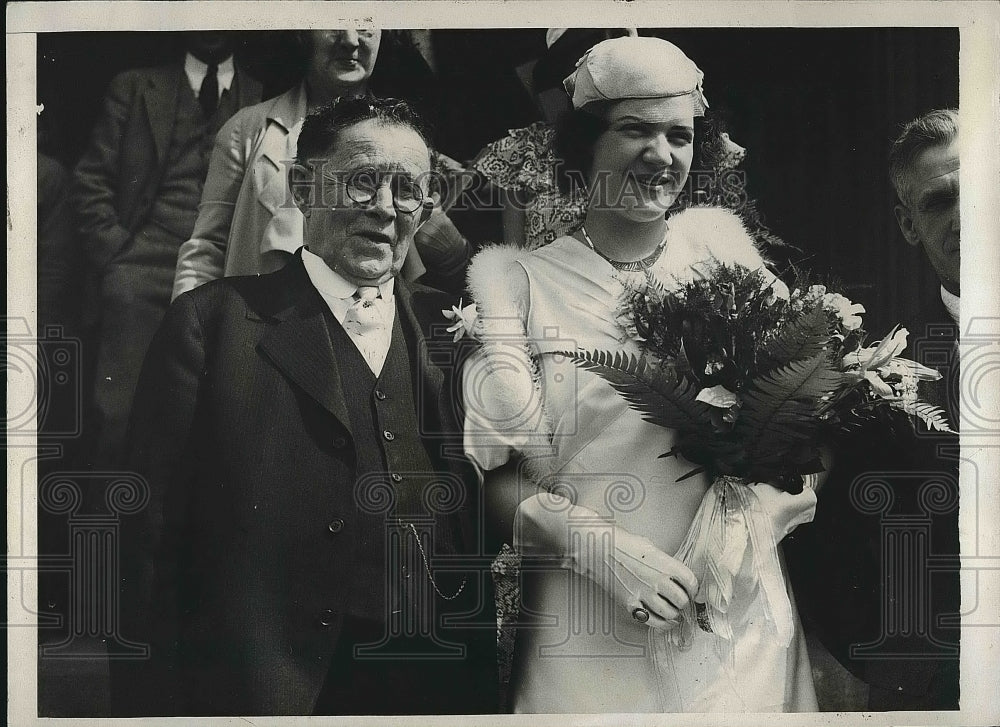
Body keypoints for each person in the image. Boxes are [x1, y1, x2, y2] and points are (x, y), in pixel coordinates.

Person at [463, 36, 818, 713]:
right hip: (588, 633)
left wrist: (758, 521)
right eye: (635, 130)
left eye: (679, 135)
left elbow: (813, 433)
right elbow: (498, 479)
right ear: (584, 143)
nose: (662, 155)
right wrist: (594, 548)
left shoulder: (733, 265)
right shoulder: (520, 287)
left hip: (735, 626)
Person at [112, 97, 497, 716]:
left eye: (408, 191)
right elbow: (148, 547)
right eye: (363, 182)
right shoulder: (213, 324)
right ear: (302, 188)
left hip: (430, 684)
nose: (385, 208)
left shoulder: (451, 334)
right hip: (270, 691)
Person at [785, 109, 961, 711]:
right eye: (938, 202)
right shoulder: (869, 374)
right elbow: (819, 537)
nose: (965, 216)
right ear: (908, 224)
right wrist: (912, 674)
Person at [71, 32, 263, 469]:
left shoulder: (260, 95)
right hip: (140, 266)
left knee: (203, 421)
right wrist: (118, 253)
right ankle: (116, 507)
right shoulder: (135, 86)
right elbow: (90, 181)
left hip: (221, 272)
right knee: (118, 415)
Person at [171, 29, 468, 299]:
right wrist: (193, 326)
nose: (350, 40)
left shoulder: (410, 145)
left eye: (365, 23)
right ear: (303, 33)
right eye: (334, 22)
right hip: (261, 323)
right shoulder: (247, 129)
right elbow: (207, 249)